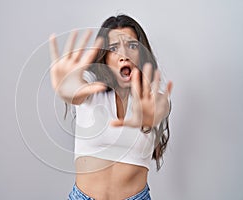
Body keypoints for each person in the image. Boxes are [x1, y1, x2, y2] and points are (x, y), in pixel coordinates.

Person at [49, 14, 173, 200]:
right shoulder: (90, 89)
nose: (123, 55)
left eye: (132, 45)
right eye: (114, 48)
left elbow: (159, 108)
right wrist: (65, 87)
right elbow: (72, 91)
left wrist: (150, 118)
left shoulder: (155, 98)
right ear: (105, 57)